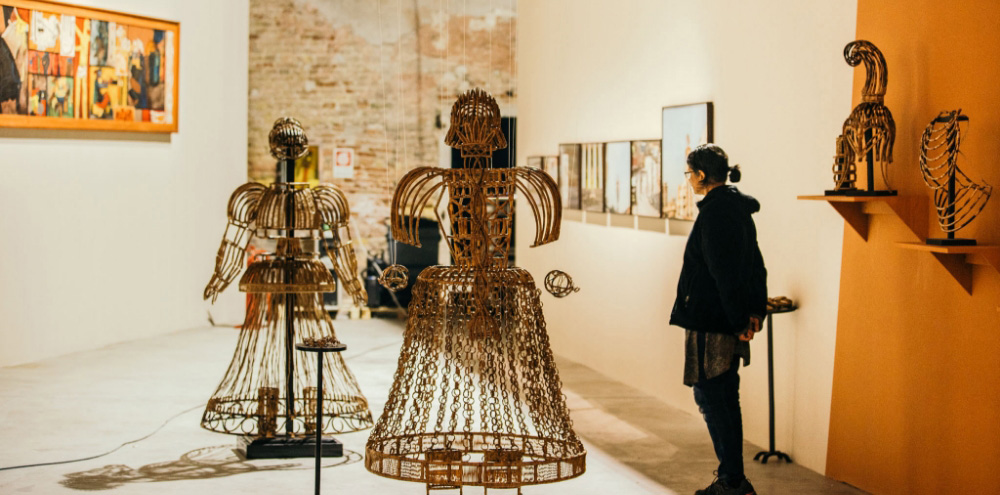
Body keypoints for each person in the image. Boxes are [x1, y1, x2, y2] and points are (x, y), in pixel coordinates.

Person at [670, 144, 767, 495]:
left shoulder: (716, 213)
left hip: (713, 321)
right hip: (724, 318)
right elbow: (756, 265)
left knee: (713, 396)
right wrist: (754, 311)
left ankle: (732, 481)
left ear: (700, 175)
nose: (688, 179)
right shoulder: (736, 208)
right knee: (723, 395)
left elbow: (723, 273)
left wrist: (742, 319)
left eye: (688, 173)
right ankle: (733, 479)